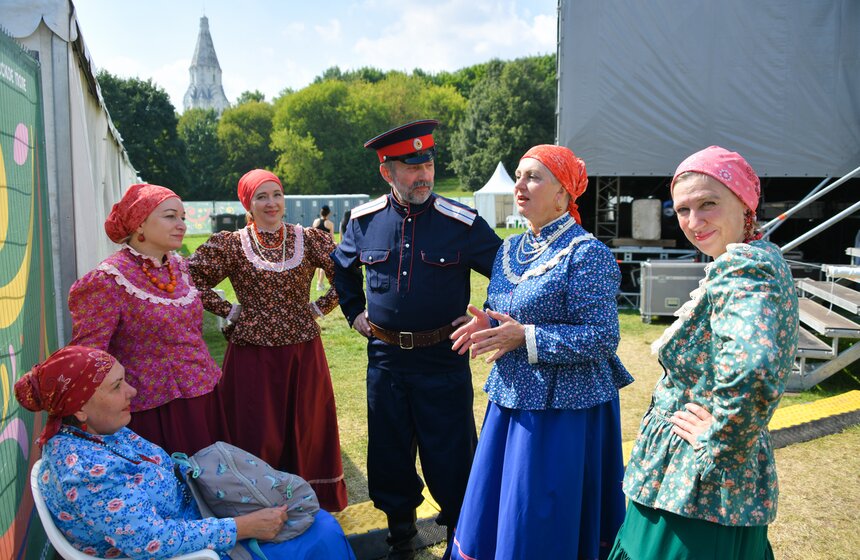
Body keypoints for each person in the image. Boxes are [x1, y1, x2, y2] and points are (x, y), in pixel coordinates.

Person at [607, 146, 799, 560]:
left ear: (745, 204)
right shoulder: (757, 258)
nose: (694, 222)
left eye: (708, 203)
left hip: (694, 487)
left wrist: (720, 443)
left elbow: (754, 367)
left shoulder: (745, 268)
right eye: (683, 209)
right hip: (692, 481)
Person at [445, 145, 633, 560]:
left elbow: (602, 337)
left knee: (539, 516)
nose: (520, 185)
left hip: (564, 413)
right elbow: (508, 312)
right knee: (504, 508)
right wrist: (490, 324)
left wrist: (525, 337)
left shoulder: (587, 254)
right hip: (510, 401)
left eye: (533, 177)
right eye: (518, 176)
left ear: (563, 193)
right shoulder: (509, 249)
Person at [331, 119, 502, 559]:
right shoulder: (364, 221)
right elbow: (341, 268)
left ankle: (460, 538)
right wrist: (354, 313)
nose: (423, 174)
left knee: (452, 456)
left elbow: (506, 271)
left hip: (443, 358)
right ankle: (401, 537)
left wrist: (489, 319)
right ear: (386, 171)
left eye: (427, 164)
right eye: (412, 167)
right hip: (386, 360)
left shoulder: (461, 222)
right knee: (389, 454)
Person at [15, 345, 356, 560]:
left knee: (313, 518)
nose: (132, 392)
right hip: (193, 551)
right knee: (321, 533)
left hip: (200, 523)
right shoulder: (86, 472)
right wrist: (244, 526)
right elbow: (150, 540)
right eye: (117, 387)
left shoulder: (98, 433)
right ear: (79, 408)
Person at [187, 169, 347, 512]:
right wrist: (229, 310)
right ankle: (257, 505)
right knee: (256, 428)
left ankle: (307, 500)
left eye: (276, 194)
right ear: (248, 204)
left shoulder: (308, 238)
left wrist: (319, 307)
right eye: (261, 196)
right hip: (251, 355)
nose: (271, 203)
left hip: (302, 353)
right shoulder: (232, 244)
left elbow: (346, 274)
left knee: (305, 426)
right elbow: (189, 277)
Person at [68, 183, 227, 455]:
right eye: (170, 216)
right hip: (152, 409)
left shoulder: (180, 267)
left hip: (203, 396)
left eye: (182, 217)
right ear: (139, 223)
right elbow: (89, 356)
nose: (181, 225)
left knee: (211, 474)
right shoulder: (108, 280)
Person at [312, 205, 335, 291]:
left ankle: (319, 283)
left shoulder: (315, 221)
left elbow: (312, 234)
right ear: (329, 213)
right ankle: (319, 284)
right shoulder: (330, 224)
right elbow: (332, 237)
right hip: (325, 247)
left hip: (316, 246)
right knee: (323, 267)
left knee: (318, 266)